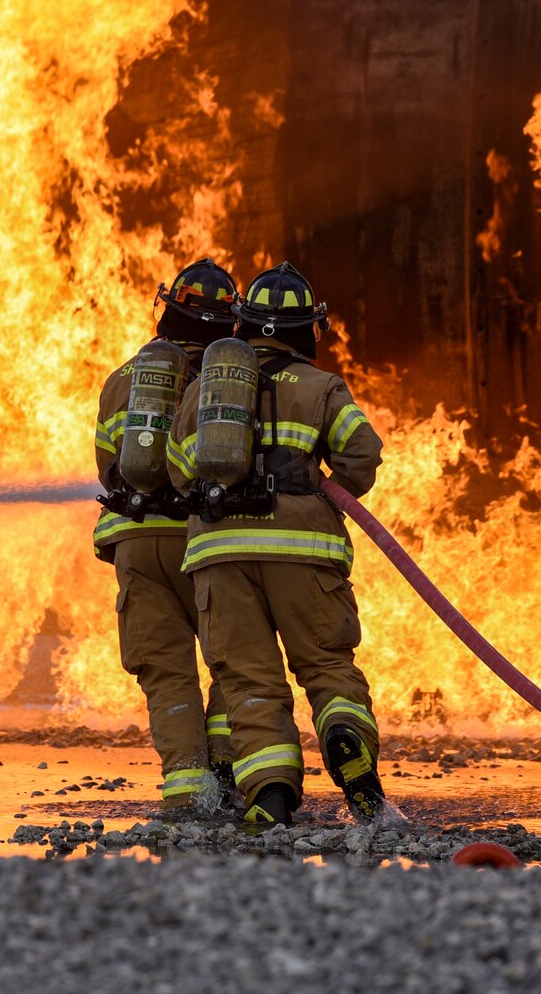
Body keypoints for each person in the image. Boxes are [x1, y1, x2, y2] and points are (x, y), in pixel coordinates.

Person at [167, 261, 386, 831]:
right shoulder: (322, 387)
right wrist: (316, 480)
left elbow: (177, 468)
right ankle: (344, 739)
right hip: (303, 552)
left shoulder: (204, 390)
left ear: (243, 323)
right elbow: (362, 454)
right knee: (325, 663)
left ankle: (271, 796)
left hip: (220, 554)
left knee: (247, 679)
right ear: (308, 329)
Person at [93, 258, 239, 817]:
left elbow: (111, 465)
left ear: (167, 310)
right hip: (208, 541)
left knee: (165, 672)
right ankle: (227, 773)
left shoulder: (125, 378)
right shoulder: (232, 382)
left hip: (136, 541)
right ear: (231, 323)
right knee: (234, 659)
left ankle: (187, 792)